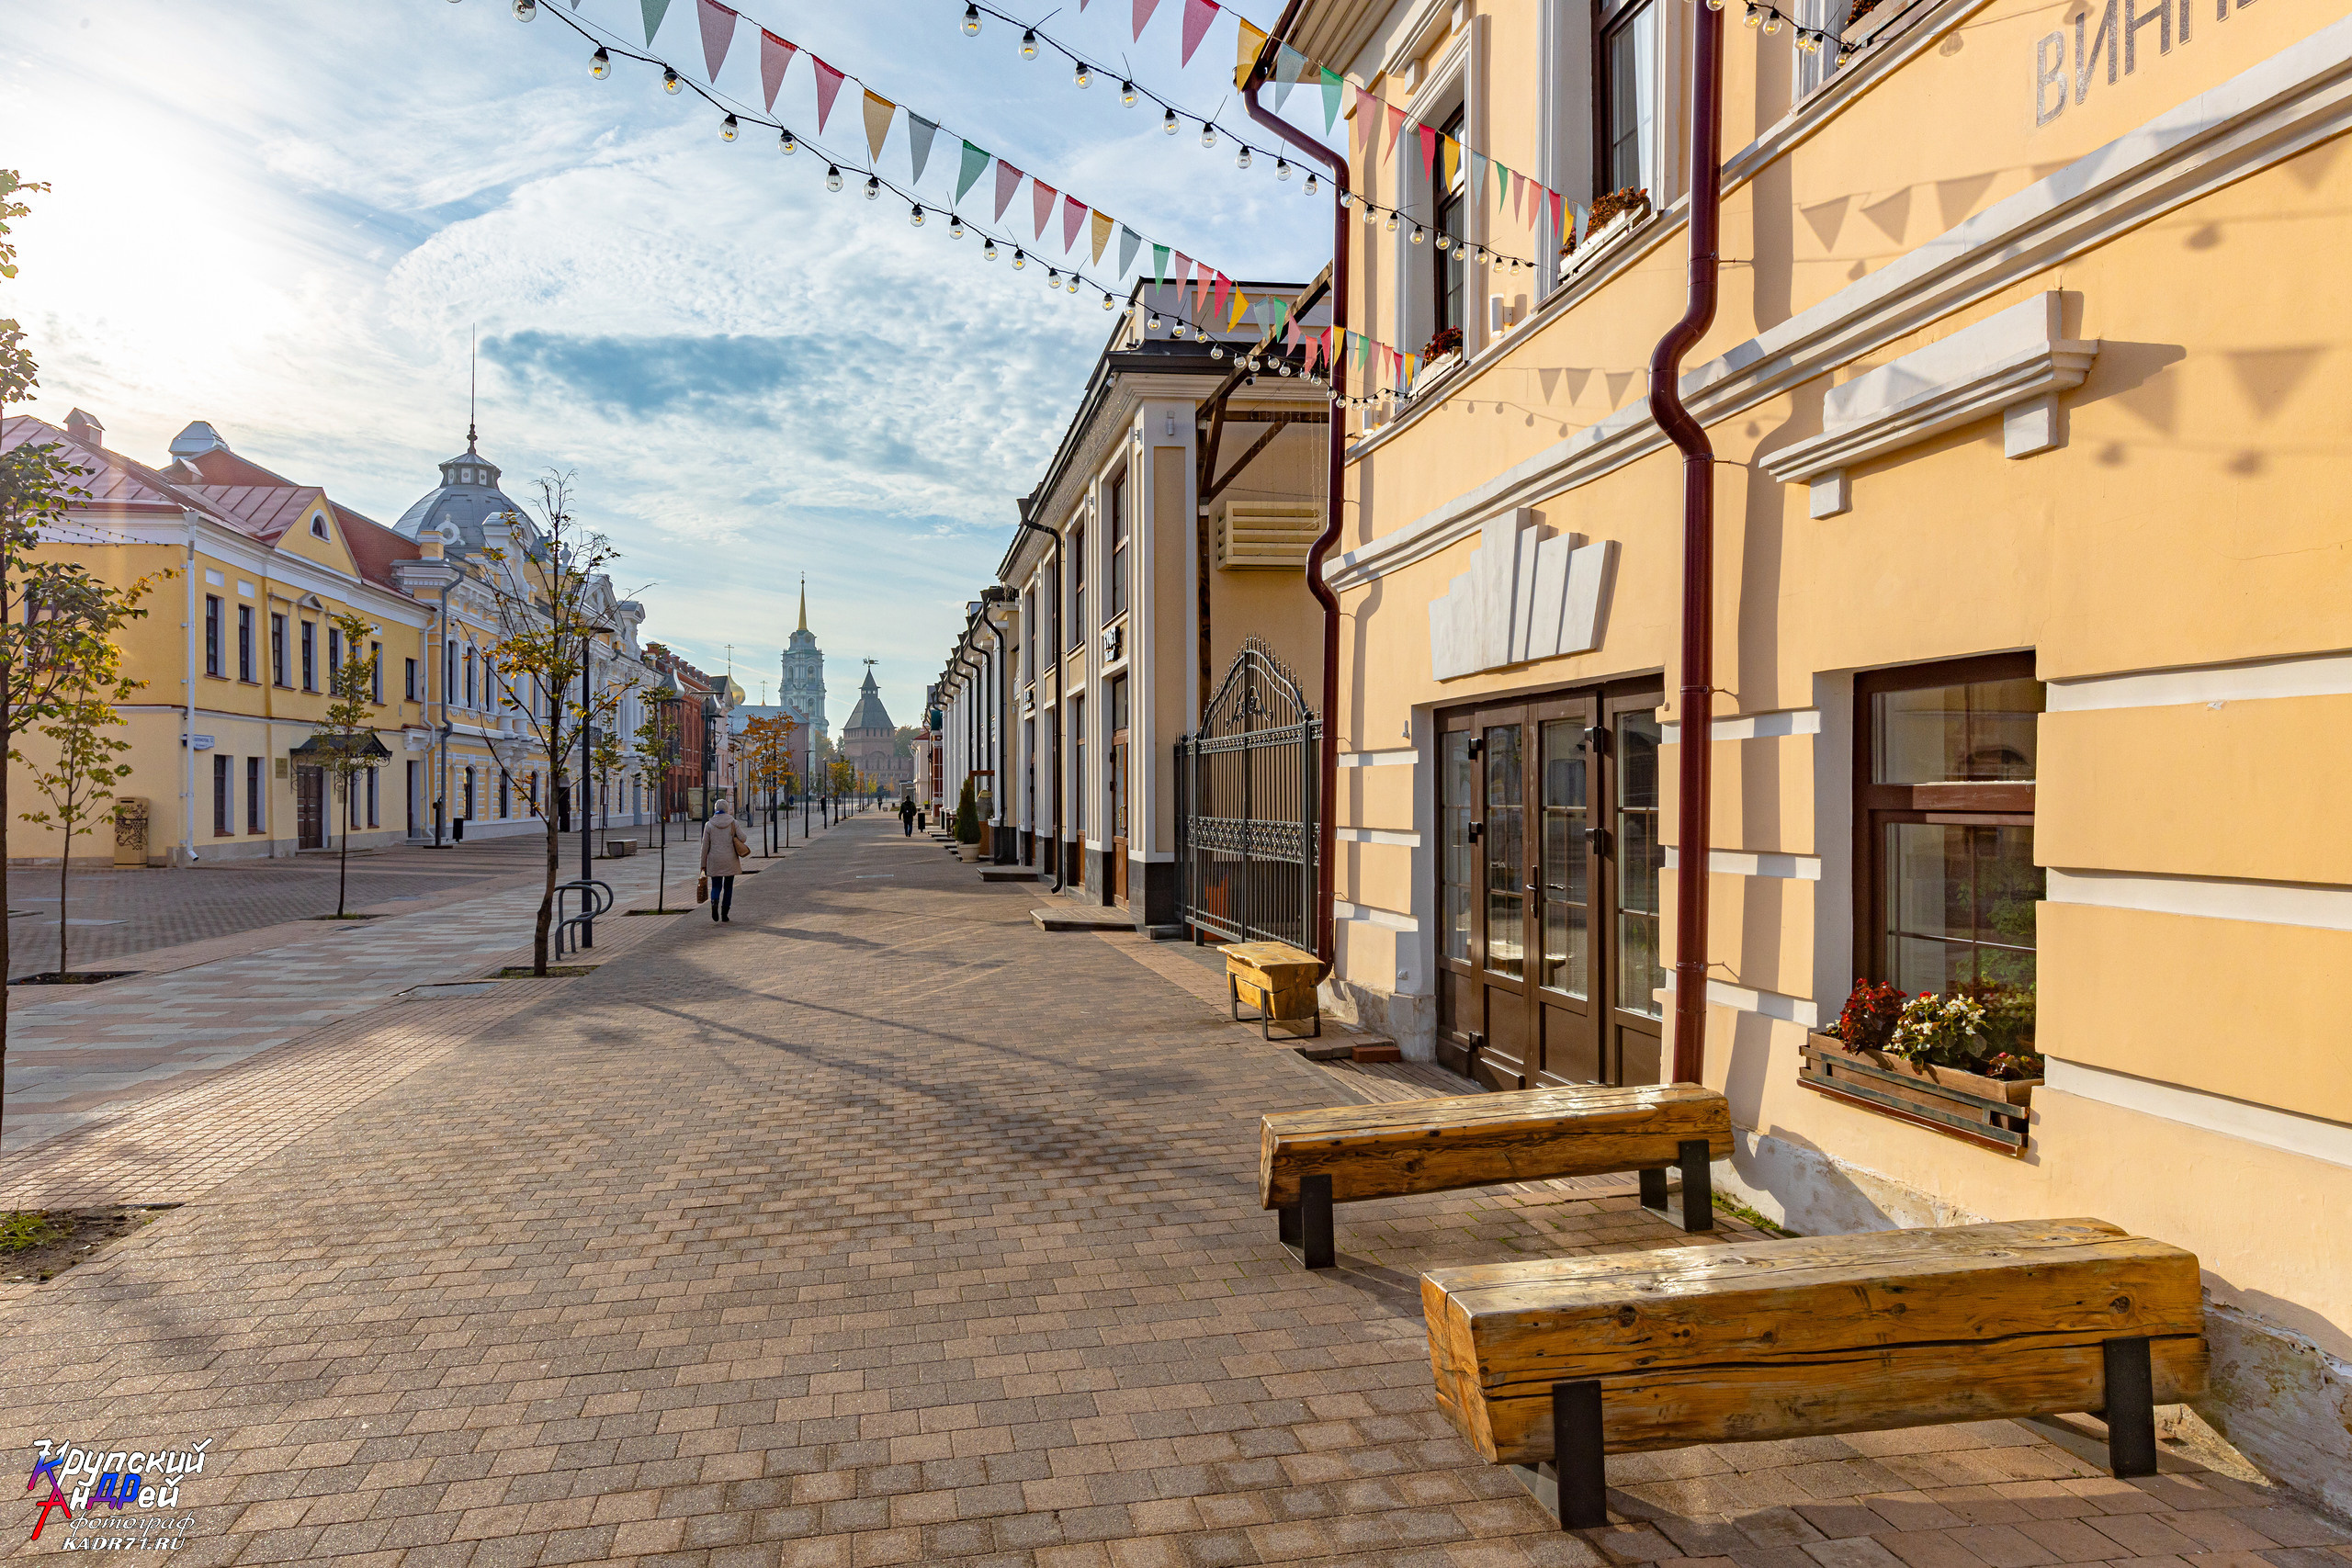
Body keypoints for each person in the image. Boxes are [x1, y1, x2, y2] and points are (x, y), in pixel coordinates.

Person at [699, 800, 750, 922]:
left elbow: (704, 847)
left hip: (715, 860)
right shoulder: (733, 822)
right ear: (727, 808)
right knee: (728, 887)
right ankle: (725, 913)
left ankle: (714, 901)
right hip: (730, 859)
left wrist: (703, 865)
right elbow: (743, 838)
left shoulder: (709, 825)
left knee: (716, 886)